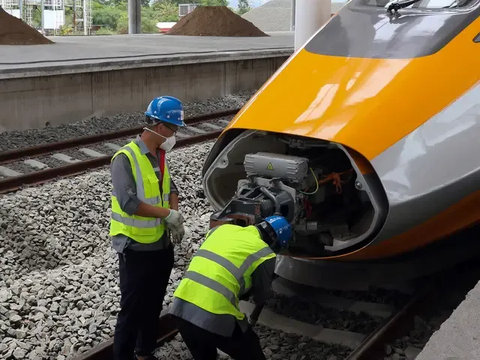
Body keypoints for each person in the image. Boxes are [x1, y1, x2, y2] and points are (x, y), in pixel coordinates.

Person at [109, 95, 187, 360]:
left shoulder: (161, 155)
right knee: (131, 309)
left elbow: (171, 187)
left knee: (153, 304)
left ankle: (144, 353)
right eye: (174, 128)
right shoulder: (125, 159)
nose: (175, 134)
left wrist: (174, 213)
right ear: (161, 127)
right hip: (135, 248)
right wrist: (167, 214)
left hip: (160, 245)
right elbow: (129, 202)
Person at [169, 215, 293, 360]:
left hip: (180, 308)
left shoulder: (221, 229)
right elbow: (261, 295)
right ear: (275, 243)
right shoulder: (264, 253)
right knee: (251, 352)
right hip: (214, 315)